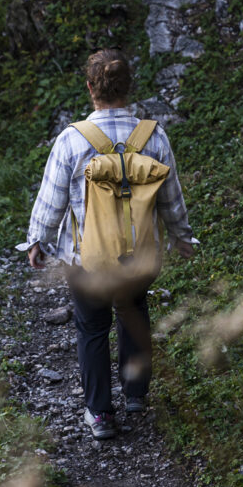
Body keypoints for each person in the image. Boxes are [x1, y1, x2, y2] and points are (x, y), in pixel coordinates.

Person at [18, 49, 196, 439]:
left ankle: (99, 414)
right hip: (138, 255)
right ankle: (135, 395)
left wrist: (37, 241)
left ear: (90, 88)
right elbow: (171, 197)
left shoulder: (71, 139)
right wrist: (182, 237)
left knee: (92, 328)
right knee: (133, 314)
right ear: (128, 88)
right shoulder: (153, 136)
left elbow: (52, 201)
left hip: (87, 260)